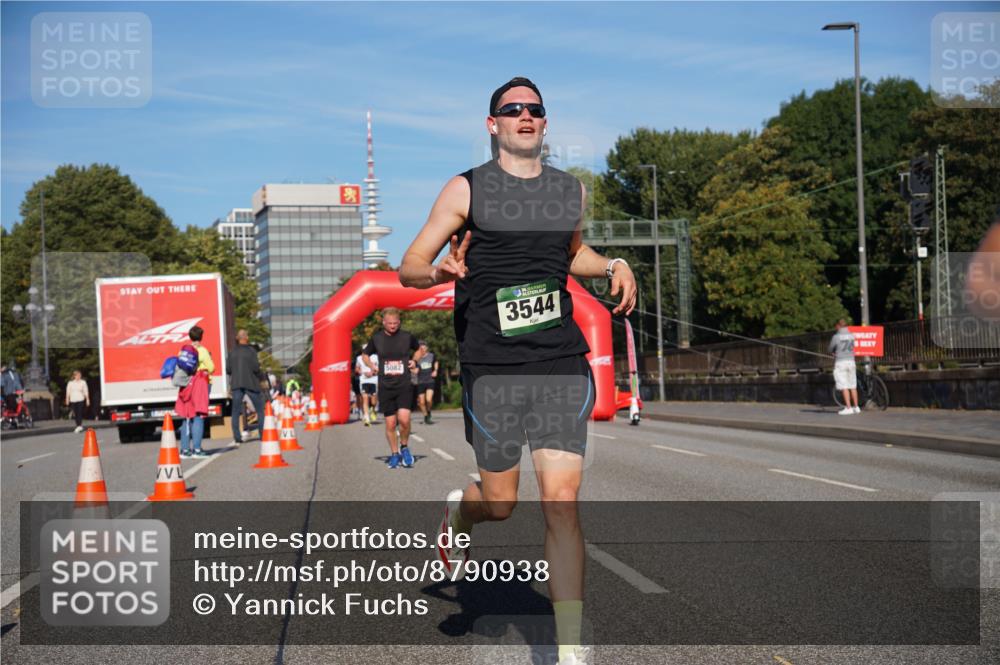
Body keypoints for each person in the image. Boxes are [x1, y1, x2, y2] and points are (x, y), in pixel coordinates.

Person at [399, 76, 636, 665]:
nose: (525, 116)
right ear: (493, 124)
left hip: (558, 358)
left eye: (535, 109)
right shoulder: (465, 189)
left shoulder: (569, 191)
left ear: (545, 123)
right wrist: (440, 274)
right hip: (492, 365)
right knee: (501, 502)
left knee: (562, 500)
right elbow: (409, 265)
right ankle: (462, 511)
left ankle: (571, 650)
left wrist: (612, 264)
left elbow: (571, 253)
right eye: (513, 109)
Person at [361, 308, 425, 469]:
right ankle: (394, 453)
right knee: (390, 424)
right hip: (386, 386)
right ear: (383, 323)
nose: (392, 326)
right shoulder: (377, 338)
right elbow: (365, 355)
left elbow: (419, 349)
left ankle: (404, 446)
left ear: (399, 322)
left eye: (395, 323)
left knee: (404, 420)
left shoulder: (406, 336)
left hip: (404, 384)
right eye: (389, 324)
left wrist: (414, 361)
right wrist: (372, 366)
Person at [175, 325, 213, 458]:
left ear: (190, 336)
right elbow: (211, 367)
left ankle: (185, 450)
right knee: (198, 416)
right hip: (199, 384)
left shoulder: (184, 350)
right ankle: (197, 449)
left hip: (186, 384)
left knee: (186, 416)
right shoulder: (202, 351)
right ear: (201, 337)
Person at [227, 329, 265, 445]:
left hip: (237, 384)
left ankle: (237, 437)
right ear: (246, 338)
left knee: (235, 411)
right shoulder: (251, 351)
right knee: (260, 409)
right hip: (251, 383)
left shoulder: (232, 352)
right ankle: (262, 434)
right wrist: (261, 378)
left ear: (237, 339)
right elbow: (256, 368)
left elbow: (228, 370)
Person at [829, 318, 860, 415]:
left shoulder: (836, 337)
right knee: (853, 386)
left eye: (836, 326)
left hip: (841, 362)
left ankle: (848, 407)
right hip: (851, 361)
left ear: (838, 326)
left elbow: (830, 349)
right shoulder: (852, 336)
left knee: (844, 386)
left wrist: (834, 353)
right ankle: (856, 407)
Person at [415, 340, 439, 425]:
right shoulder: (417, 358)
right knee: (421, 402)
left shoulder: (431, 356)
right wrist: (414, 371)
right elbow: (416, 369)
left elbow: (436, 362)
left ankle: (428, 413)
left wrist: (435, 370)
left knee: (429, 400)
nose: (422, 348)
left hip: (430, 380)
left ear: (426, 347)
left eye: (423, 346)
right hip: (421, 381)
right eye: (420, 347)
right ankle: (425, 416)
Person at [356, 350, 379, 426]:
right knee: (365, 398)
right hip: (363, 380)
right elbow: (357, 369)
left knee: (373, 401)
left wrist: (372, 373)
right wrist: (362, 373)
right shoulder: (359, 358)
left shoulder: (375, 357)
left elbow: (379, 369)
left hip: (374, 380)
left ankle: (373, 409)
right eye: (363, 350)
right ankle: (366, 418)